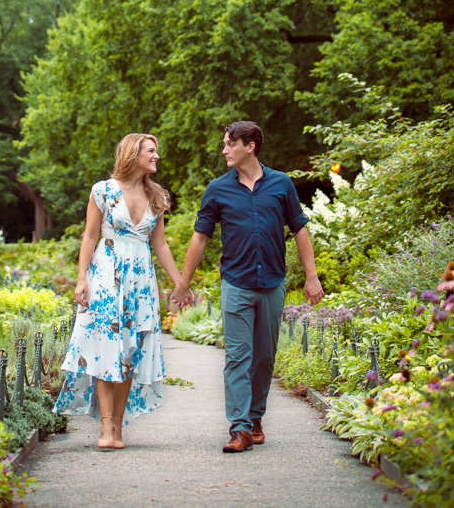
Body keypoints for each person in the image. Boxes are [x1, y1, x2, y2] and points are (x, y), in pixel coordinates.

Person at [171, 120, 323, 453]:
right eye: (225, 143)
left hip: (272, 282)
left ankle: (255, 418)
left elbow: (299, 230)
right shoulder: (217, 189)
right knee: (238, 357)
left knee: (264, 357)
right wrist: (184, 283)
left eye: (230, 144)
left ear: (250, 146)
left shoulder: (281, 184)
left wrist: (311, 277)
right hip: (236, 283)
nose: (224, 150)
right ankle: (239, 428)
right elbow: (200, 237)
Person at [55, 132, 190, 450]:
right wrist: (81, 278)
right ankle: (105, 428)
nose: (157, 156)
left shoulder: (156, 195)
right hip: (105, 276)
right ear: (133, 154)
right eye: (151, 151)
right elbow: (90, 236)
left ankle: (118, 427)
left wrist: (180, 283)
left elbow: (160, 244)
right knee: (104, 347)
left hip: (140, 283)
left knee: (131, 351)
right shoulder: (103, 191)